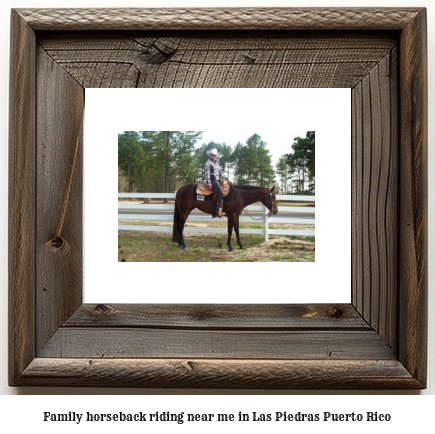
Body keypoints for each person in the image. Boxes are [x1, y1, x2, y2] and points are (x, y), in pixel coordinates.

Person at [204, 148, 229, 218]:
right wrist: (209, 183)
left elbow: (221, 172)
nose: (214, 156)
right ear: (210, 155)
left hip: (218, 180)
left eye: (215, 155)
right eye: (212, 155)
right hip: (212, 180)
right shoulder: (208, 163)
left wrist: (226, 178)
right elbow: (207, 174)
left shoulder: (217, 163)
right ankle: (215, 211)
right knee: (220, 192)